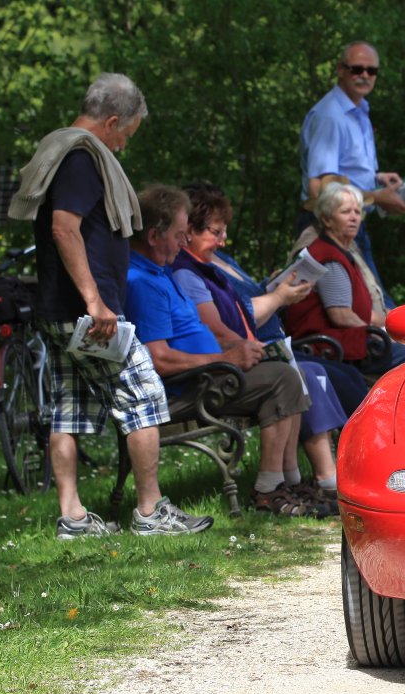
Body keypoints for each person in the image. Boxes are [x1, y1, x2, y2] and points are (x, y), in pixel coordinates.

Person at [6, 72, 212, 540]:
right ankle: (150, 511)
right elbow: (64, 228)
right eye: (126, 134)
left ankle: (74, 518)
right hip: (89, 315)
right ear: (113, 121)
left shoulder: (60, 149)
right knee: (145, 396)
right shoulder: (81, 157)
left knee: (67, 408)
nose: (122, 146)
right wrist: (95, 301)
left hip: (61, 309)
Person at [123, 185, 316, 517]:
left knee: (286, 371)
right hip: (188, 387)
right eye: (180, 235)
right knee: (282, 378)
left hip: (208, 376)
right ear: (154, 236)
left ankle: (285, 481)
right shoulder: (143, 282)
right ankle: (269, 490)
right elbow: (159, 359)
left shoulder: (159, 270)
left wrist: (237, 349)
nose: (184, 242)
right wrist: (225, 359)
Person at [172, 185, 355, 514]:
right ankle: (273, 488)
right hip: (208, 374)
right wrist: (246, 347)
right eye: (216, 232)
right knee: (288, 375)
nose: (223, 241)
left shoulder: (206, 266)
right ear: (188, 231)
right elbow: (215, 330)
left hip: (226, 363)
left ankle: (291, 482)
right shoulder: (186, 272)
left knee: (301, 373)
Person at [299, 41, 405, 304]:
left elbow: (343, 170)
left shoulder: (358, 109)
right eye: (357, 69)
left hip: (349, 224)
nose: (365, 76)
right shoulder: (330, 116)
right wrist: (377, 197)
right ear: (340, 69)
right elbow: (319, 188)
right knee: (370, 307)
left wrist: (376, 178)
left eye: (372, 71)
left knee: (373, 303)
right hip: (328, 228)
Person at [283, 181, 405, 376]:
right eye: (346, 212)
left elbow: (362, 312)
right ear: (326, 219)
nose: (354, 218)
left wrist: (398, 324)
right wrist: (381, 333)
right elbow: (341, 315)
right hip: (332, 347)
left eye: (357, 212)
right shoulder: (328, 257)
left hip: (348, 340)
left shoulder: (343, 252)